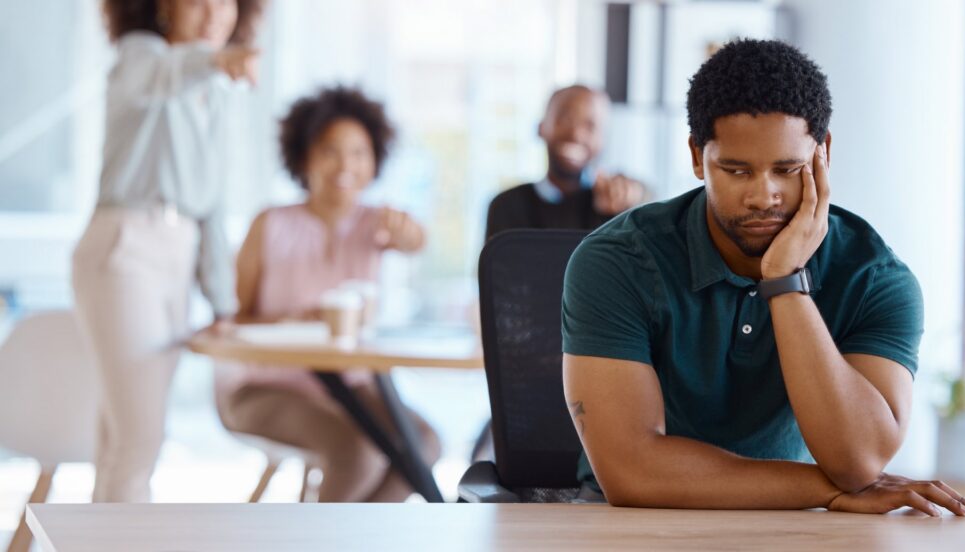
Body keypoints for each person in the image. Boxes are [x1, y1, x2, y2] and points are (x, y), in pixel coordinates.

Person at [561, 39, 965, 516]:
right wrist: (827, 490)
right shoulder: (616, 259)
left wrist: (785, 282)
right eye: (736, 171)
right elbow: (633, 473)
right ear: (698, 156)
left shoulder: (875, 278)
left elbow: (860, 461)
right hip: (640, 522)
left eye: (788, 169)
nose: (764, 197)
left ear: (823, 151)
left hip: (798, 525)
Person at [72, 0, 264, 503]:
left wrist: (222, 301)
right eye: (196, 0)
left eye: (224, 2)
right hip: (124, 248)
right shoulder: (142, 56)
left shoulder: (216, 94)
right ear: (161, 7)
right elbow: (155, 78)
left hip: (175, 260)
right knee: (140, 441)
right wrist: (215, 62)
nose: (212, 14)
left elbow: (211, 206)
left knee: (121, 442)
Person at [214, 85, 440, 503]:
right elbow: (231, 318)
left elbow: (415, 239)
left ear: (375, 162)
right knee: (356, 453)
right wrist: (290, 325)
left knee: (423, 444)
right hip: (264, 386)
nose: (345, 164)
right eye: (330, 150)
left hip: (351, 384)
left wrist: (410, 236)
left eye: (359, 152)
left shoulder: (377, 224)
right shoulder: (270, 224)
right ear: (304, 157)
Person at [484, 85, 647, 240]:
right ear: (541, 127)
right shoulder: (506, 207)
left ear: (602, 140)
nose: (576, 134)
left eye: (590, 126)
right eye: (565, 119)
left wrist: (635, 197)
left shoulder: (618, 206)